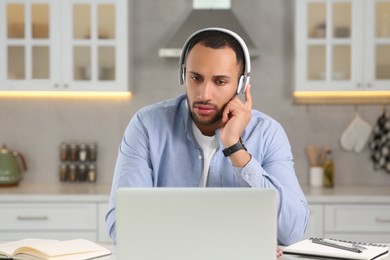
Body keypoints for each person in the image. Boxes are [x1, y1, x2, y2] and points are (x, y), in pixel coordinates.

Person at [106, 27, 309, 247]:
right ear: (183, 74)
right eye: (195, 78)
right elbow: (122, 225)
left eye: (220, 82)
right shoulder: (146, 125)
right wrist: (235, 244)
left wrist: (236, 149)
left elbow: (292, 231)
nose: (204, 94)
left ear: (241, 85)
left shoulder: (268, 133)